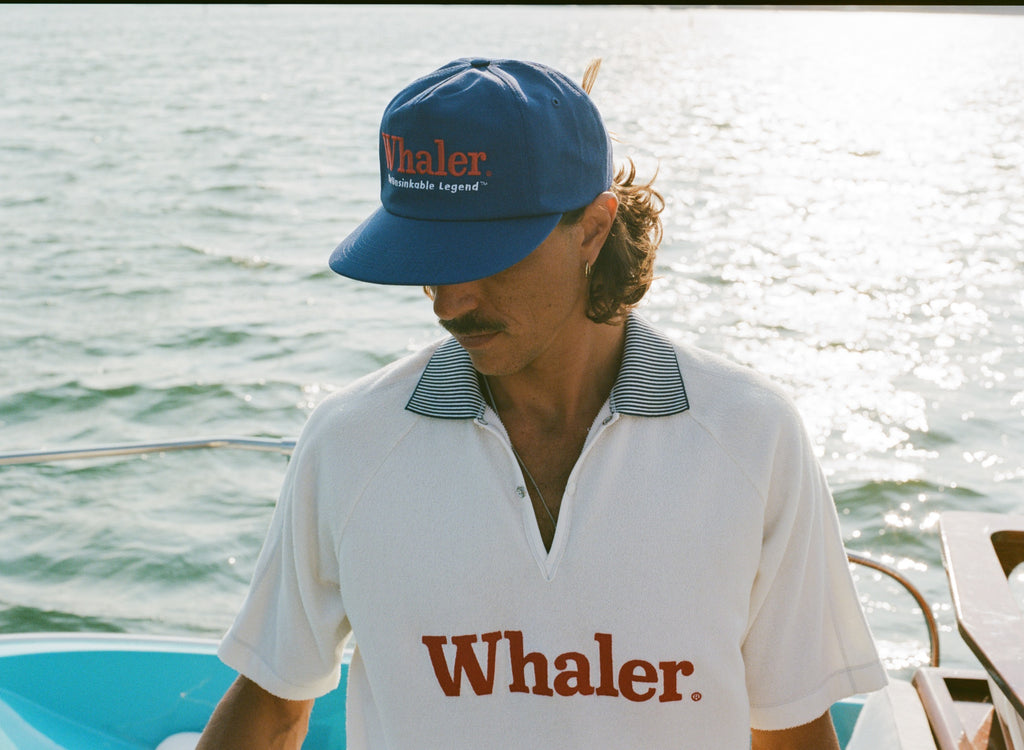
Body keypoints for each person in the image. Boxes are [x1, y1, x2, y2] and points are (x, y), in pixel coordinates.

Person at [198, 57, 887, 749]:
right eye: (425, 257)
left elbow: (790, 731)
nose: (449, 300)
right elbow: (273, 702)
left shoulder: (752, 438)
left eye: (485, 253)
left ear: (592, 229)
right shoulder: (349, 442)